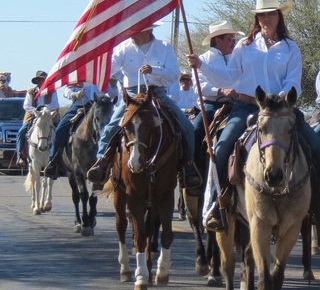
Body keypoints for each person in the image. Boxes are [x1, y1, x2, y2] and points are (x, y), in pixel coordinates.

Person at [186, 0, 320, 229]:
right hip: (247, 107)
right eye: (262, 15)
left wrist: (280, 99)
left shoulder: (290, 48)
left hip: (282, 109)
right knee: (222, 146)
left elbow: (293, 80)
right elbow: (229, 76)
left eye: (270, 14)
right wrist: (201, 66)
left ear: (279, 16)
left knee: (317, 146)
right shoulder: (244, 46)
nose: (266, 18)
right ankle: (218, 204)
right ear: (257, 18)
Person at [86, 25, 202, 189]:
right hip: (132, 96)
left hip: (157, 94)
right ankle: (102, 162)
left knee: (187, 128)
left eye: (135, 29)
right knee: (111, 127)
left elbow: (174, 74)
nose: (130, 32)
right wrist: (98, 65)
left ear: (147, 31)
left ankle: (188, 166)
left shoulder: (164, 47)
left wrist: (154, 70)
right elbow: (110, 68)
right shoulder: (123, 48)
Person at [191, 19, 243, 158]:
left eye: (234, 39)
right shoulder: (203, 60)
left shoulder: (237, 58)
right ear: (217, 40)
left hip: (238, 104)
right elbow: (198, 86)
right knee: (195, 133)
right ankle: (190, 168)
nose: (234, 42)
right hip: (212, 105)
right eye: (230, 39)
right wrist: (220, 91)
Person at [43, 81, 109, 179]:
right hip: (78, 106)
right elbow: (66, 91)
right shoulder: (78, 74)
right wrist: (74, 94)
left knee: (112, 129)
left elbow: (111, 92)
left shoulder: (100, 72)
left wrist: (112, 85)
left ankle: (111, 162)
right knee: (60, 130)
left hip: (99, 107)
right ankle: (53, 161)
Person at [16, 71, 59, 163]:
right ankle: (20, 156)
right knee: (21, 132)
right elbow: (26, 106)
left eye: (44, 79)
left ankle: (60, 156)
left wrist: (45, 110)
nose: (42, 81)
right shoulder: (31, 92)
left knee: (60, 130)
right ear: (37, 81)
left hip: (49, 116)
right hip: (33, 116)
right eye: (40, 79)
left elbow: (55, 104)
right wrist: (36, 112)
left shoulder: (52, 91)